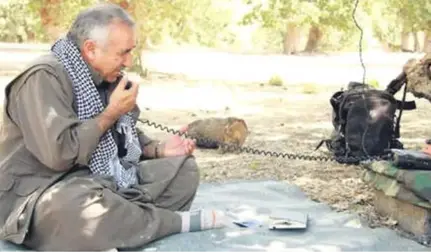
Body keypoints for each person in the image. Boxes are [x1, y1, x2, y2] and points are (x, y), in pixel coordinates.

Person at [0, 3, 225, 252]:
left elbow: (122, 136)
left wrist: (159, 149)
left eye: (131, 52)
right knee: (80, 209)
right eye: (123, 53)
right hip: (44, 189)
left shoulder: (104, 76)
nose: (129, 61)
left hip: (106, 181)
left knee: (184, 170)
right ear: (91, 49)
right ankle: (167, 223)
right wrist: (110, 113)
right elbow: (59, 155)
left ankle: (121, 226)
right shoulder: (43, 78)